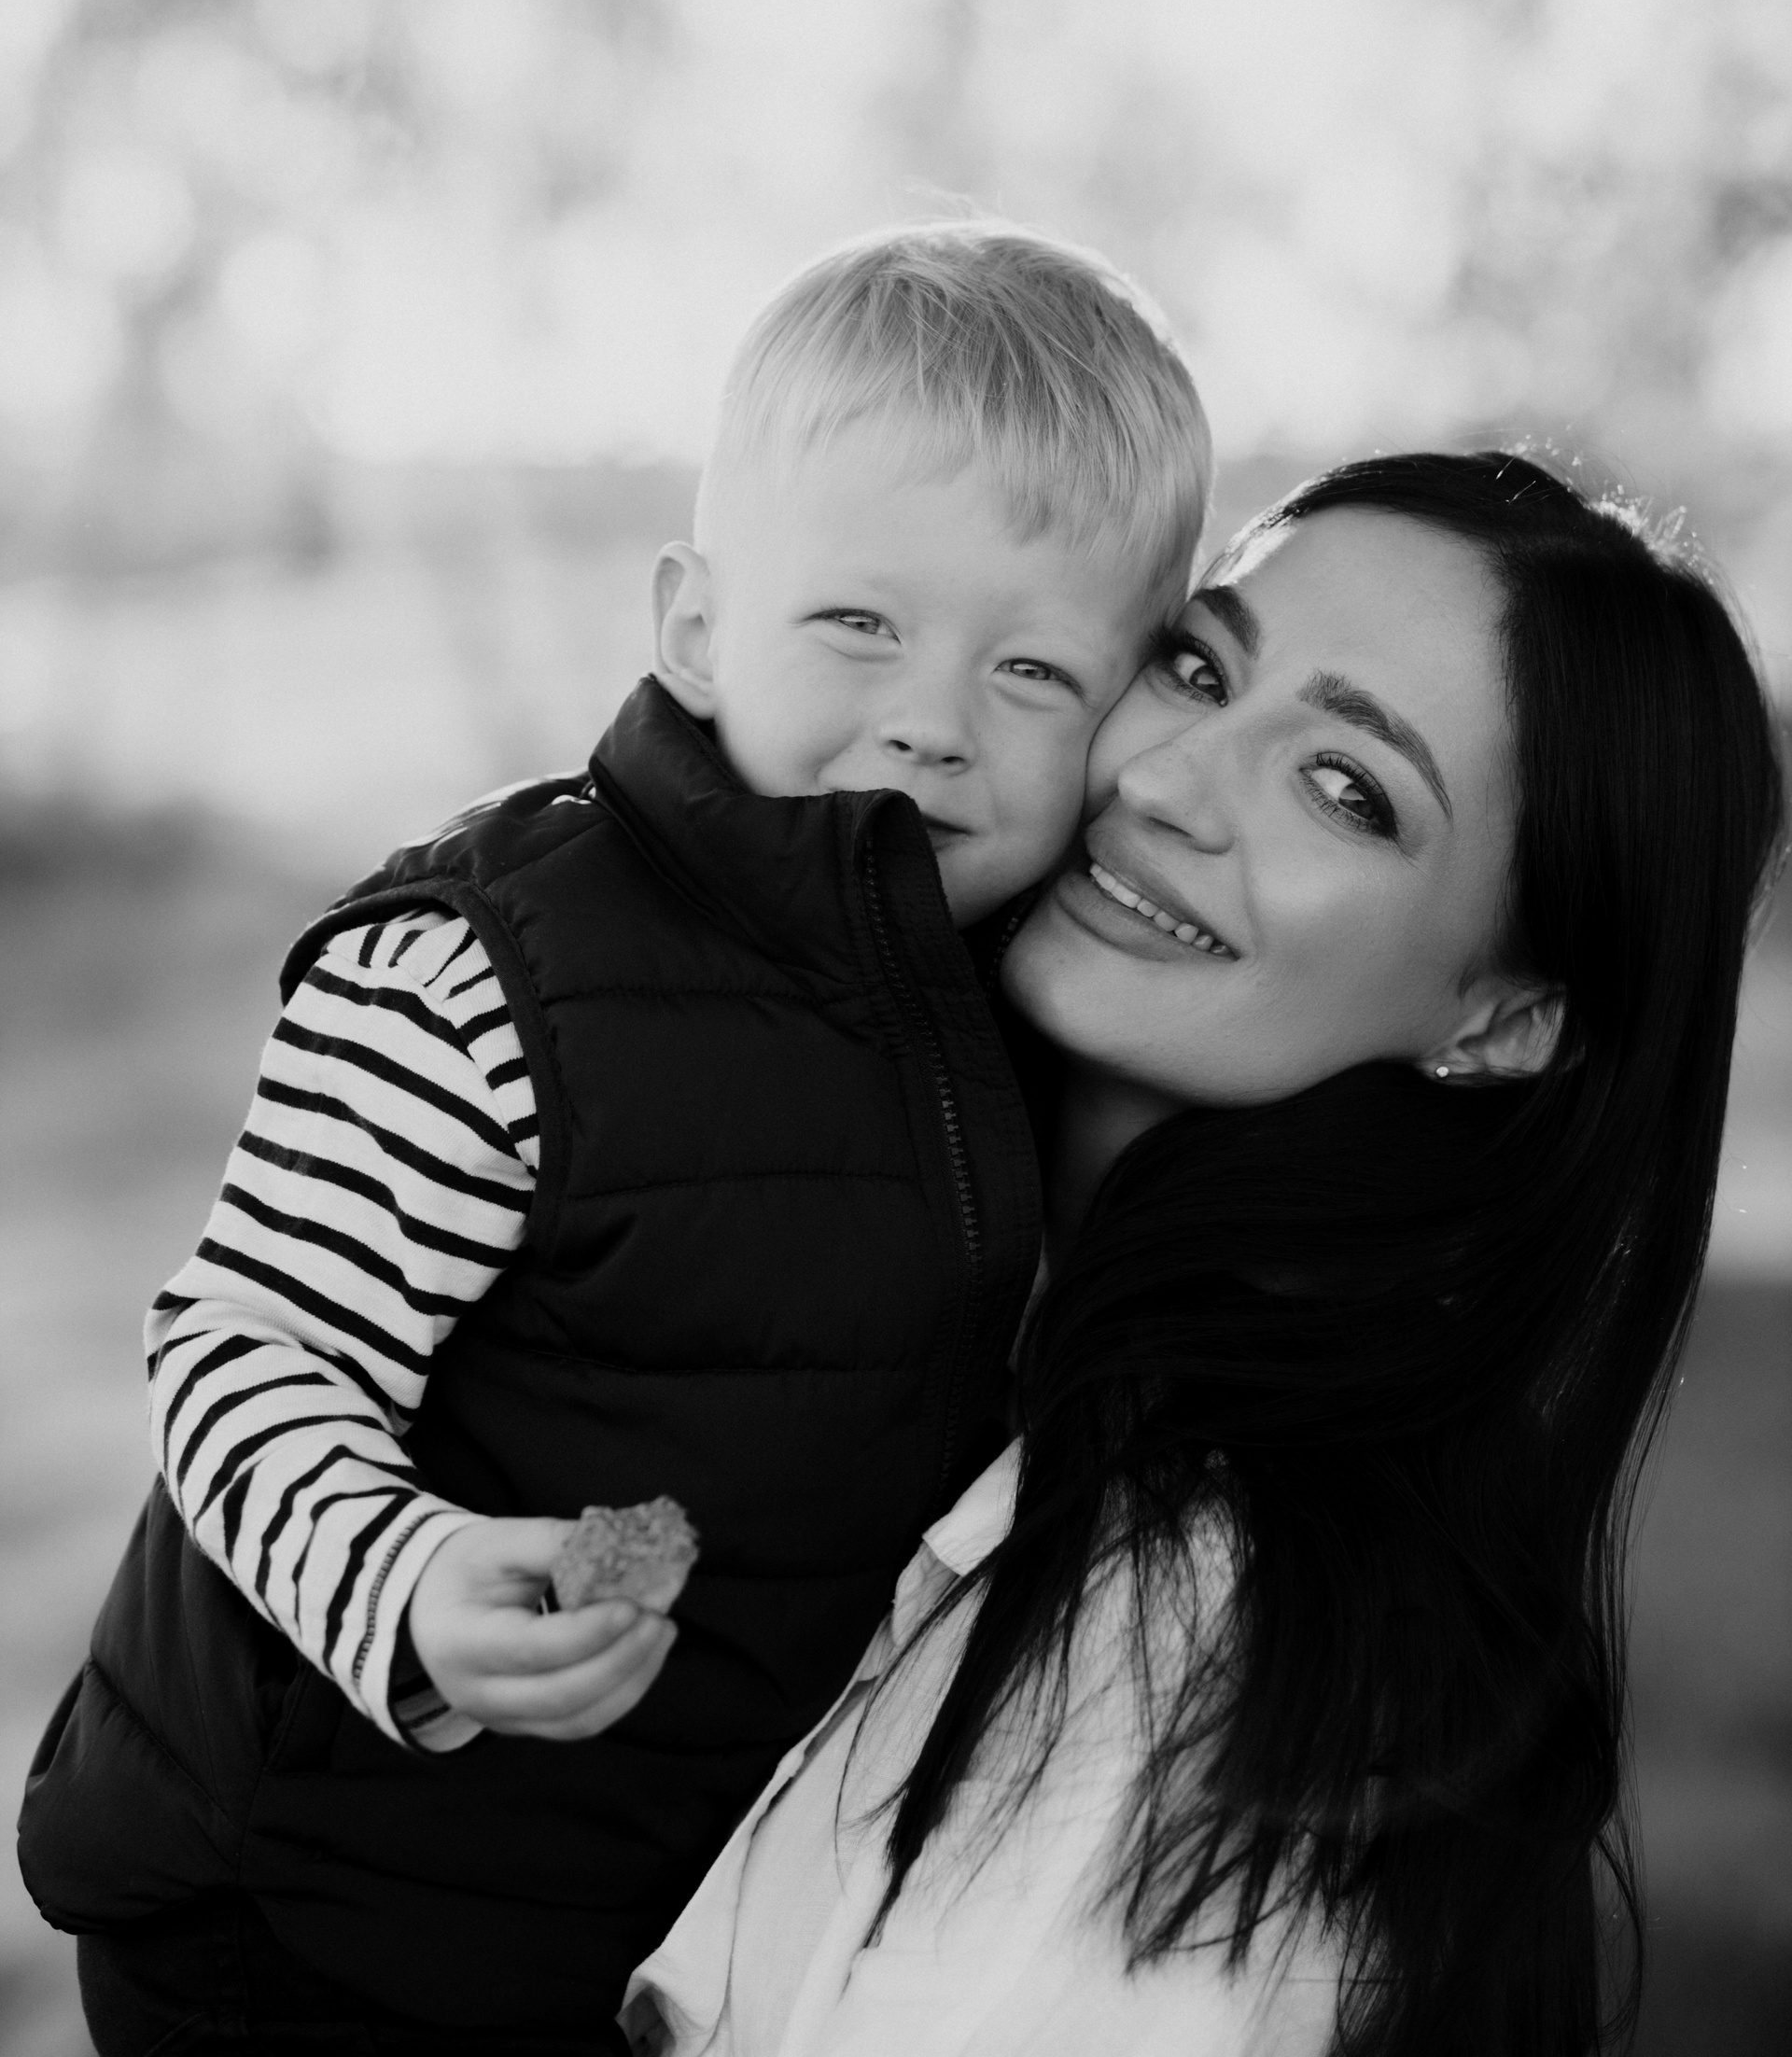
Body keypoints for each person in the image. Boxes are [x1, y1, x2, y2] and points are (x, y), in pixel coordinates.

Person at [17, 222, 1211, 2053]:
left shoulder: (1005, 1013)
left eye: (1036, 673)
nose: (932, 723)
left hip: (624, 1918)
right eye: (862, 624)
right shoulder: (492, 972)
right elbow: (240, 1349)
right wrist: (408, 1576)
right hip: (312, 1905)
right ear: (697, 630)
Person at [627, 449, 1786, 2057]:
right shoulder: (880, 1303)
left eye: (1347, 788)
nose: (1167, 781)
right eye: (1197, 667)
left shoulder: (1190, 1622)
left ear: (1504, 1018)